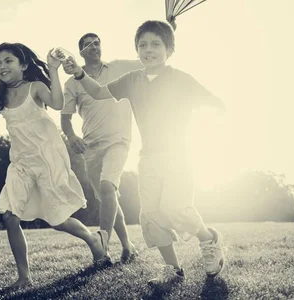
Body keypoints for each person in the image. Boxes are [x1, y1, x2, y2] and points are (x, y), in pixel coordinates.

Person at [62, 21, 226, 287]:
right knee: (150, 215)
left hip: (179, 155)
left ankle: (208, 238)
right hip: (148, 158)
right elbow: (98, 91)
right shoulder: (131, 79)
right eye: (143, 45)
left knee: (176, 208)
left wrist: (221, 124)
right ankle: (173, 269)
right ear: (137, 50)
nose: (149, 49)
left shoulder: (180, 78)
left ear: (169, 50)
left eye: (156, 44)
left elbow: (214, 103)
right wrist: (79, 73)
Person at [0, 42, 110, 289]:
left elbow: (57, 104)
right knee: (10, 216)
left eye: (8, 61)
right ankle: (24, 277)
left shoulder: (35, 87)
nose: (2, 66)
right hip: (21, 164)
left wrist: (54, 70)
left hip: (48, 160)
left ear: (23, 65)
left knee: (57, 220)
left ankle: (94, 240)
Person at [60, 33, 143, 263]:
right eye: (88, 45)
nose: (95, 47)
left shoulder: (119, 67)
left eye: (97, 43)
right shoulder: (71, 83)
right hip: (91, 147)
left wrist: (168, 31)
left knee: (108, 187)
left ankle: (103, 246)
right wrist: (71, 136)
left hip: (119, 140)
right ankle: (128, 247)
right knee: (108, 197)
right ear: (80, 53)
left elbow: (150, 58)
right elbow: (65, 118)